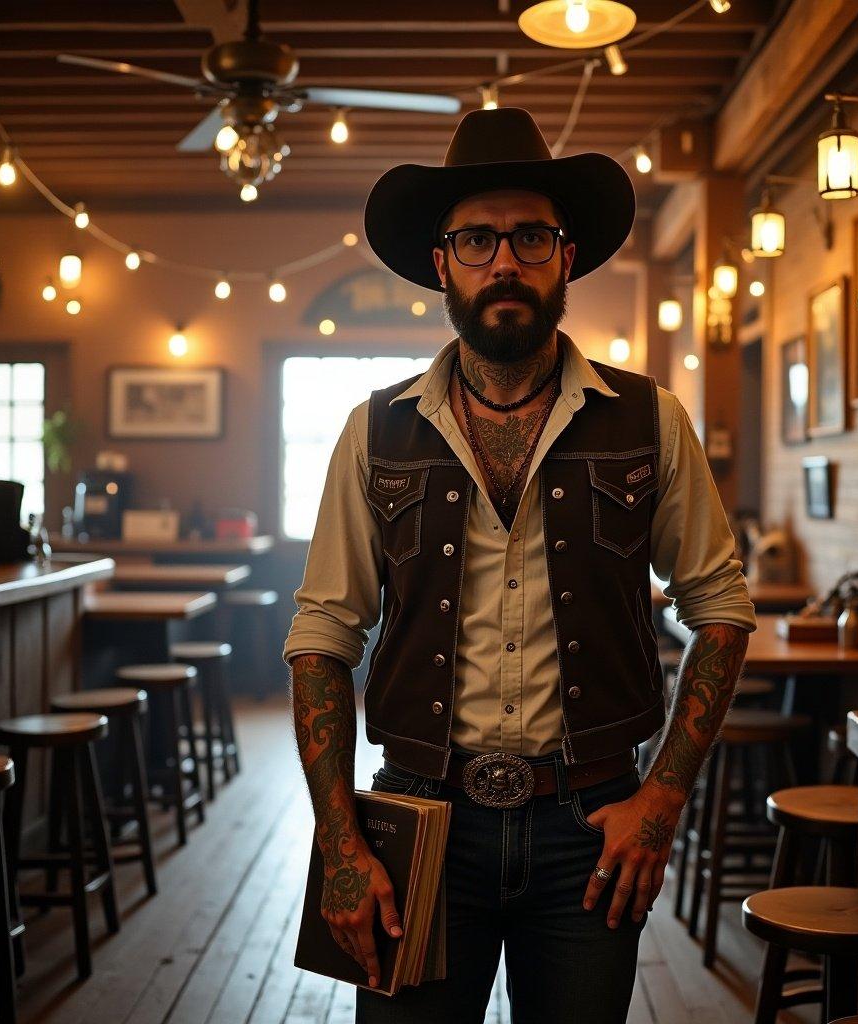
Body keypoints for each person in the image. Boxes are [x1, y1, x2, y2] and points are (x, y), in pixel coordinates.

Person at [284, 106, 756, 1024]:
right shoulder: (373, 430)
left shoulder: (649, 420)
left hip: (589, 827)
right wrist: (340, 843)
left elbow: (721, 607)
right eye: (476, 239)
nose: (505, 260)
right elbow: (322, 637)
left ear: (566, 257)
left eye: (530, 236)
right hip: (420, 821)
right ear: (442, 264)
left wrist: (660, 798)